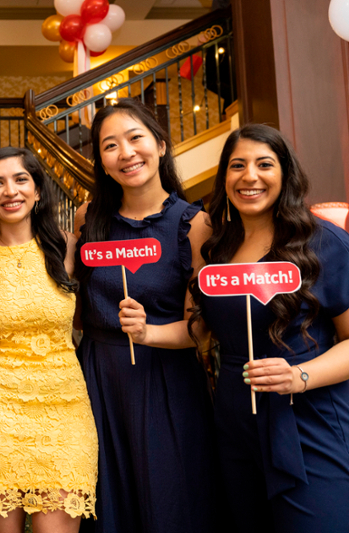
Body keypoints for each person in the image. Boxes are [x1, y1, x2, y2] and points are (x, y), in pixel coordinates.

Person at [189, 124, 349, 531]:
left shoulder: (322, 242)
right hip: (234, 420)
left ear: (285, 174)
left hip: (306, 418)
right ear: (224, 176)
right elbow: (201, 330)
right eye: (237, 165)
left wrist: (299, 376)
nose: (250, 176)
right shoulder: (216, 247)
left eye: (264, 164)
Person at [74, 99, 219, 533]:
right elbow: (78, 306)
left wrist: (149, 333)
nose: (126, 153)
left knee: (170, 494)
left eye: (136, 138)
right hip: (98, 376)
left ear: (159, 144)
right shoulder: (88, 218)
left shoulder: (195, 225)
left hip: (166, 378)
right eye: (110, 145)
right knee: (106, 499)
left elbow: (202, 327)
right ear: (101, 160)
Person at [0, 147, 98, 532]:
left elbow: (89, 318)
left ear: (37, 191)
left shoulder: (69, 248)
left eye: (21, 180)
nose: (10, 191)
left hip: (65, 408)